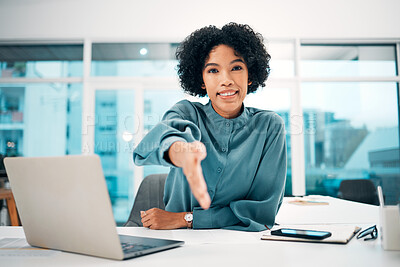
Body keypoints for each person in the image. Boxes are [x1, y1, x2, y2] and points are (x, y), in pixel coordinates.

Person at [133, 22, 286, 232]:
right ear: (202, 80)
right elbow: (161, 139)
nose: (226, 80)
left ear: (250, 75)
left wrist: (185, 219)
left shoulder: (269, 126)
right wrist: (179, 152)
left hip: (241, 242)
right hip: (180, 242)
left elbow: (262, 210)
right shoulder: (187, 113)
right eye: (213, 70)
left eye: (236, 68)